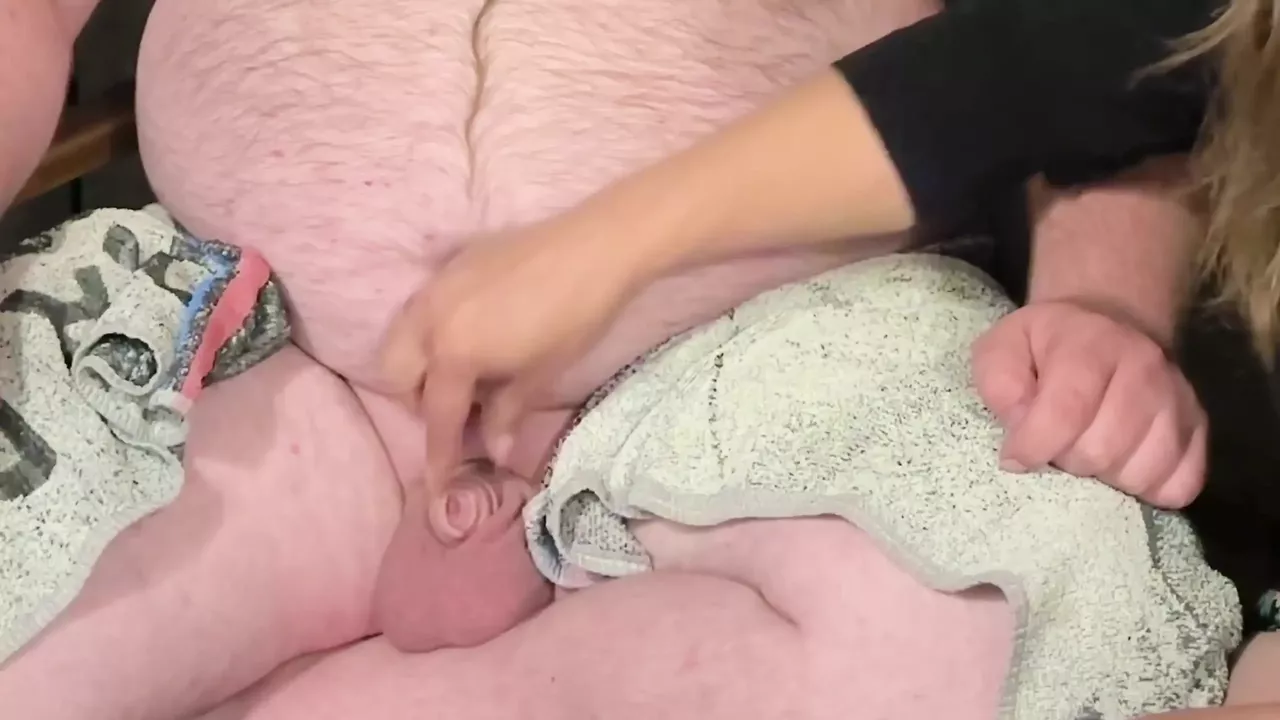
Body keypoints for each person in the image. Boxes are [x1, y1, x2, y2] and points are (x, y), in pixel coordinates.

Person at [0, 0, 1266, 719]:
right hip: (262, 349)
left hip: (791, 365)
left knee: (962, 640)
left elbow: (1106, 64)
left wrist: (1098, 307)